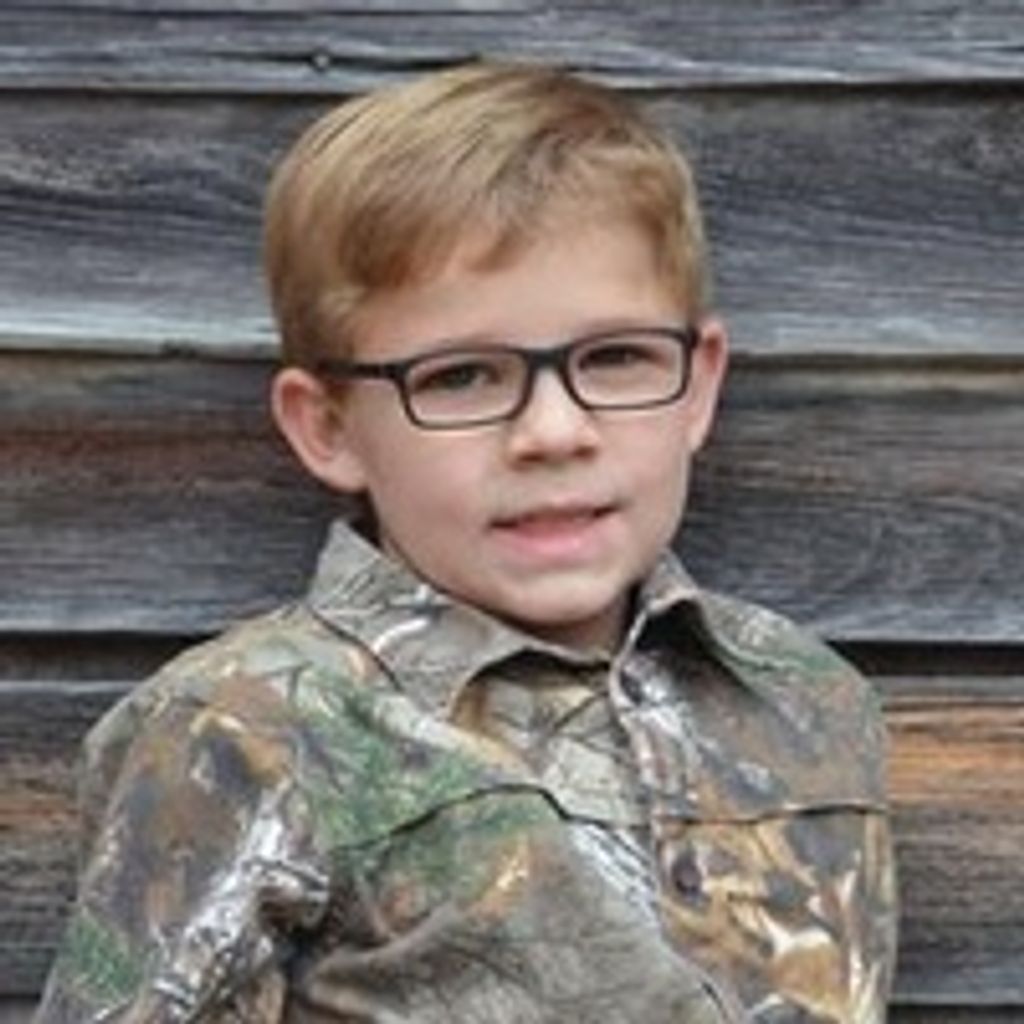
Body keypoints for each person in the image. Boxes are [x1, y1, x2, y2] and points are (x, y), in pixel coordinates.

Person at [35, 62, 898, 1022]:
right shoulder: (243, 730)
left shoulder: (806, 698)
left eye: (616, 357)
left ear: (697, 387)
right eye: (460, 377)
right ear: (328, 426)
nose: (554, 432)